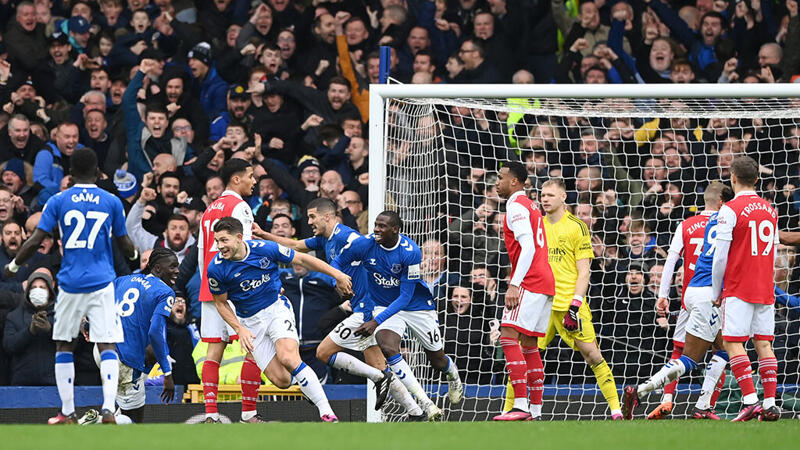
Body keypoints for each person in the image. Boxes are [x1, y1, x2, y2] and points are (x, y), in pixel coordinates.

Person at [257, 198, 423, 420]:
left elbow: (372, 253)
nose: (309, 221)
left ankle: (383, 382)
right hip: (361, 308)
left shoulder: (349, 237)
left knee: (324, 352)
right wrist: (263, 235)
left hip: (367, 310)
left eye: (312, 217)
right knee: (379, 366)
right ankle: (417, 412)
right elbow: (296, 246)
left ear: (328, 216)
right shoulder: (325, 239)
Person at [4, 148, 137, 424]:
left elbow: (36, 238)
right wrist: (135, 256)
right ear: (98, 170)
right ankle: (109, 408)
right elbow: (123, 243)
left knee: (65, 344)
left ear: (71, 173)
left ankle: (66, 411)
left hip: (71, 283)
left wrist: (14, 266)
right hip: (102, 282)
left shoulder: (58, 200)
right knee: (107, 344)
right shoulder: (112, 201)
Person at [207, 216, 353, 422]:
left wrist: (337, 274)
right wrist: (239, 329)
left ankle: (327, 413)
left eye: (224, 240)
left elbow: (302, 259)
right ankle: (307, 384)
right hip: (250, 324)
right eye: (217, 241)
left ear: (239, 238)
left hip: (276, 309)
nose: (220, 246)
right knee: (282, 380)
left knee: (288, 357)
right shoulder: (215, 269)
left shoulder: (264, 249)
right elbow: (221, 303)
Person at [505, 178, 622, 420]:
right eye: (542, 195)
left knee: (593, 355)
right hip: (540, 302)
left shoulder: (576, 227)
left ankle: (616, 409)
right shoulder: (536, 224)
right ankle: (512, 409)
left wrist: (576, 304)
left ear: (563, 197)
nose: (545, 199)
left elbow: (584, 271)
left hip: (569, 303)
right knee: (521, 355)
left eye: (550, 195)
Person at [331, 210, 464, 421]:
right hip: (384, 305)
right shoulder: (365, 244)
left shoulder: (410, 251)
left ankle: (452, 373)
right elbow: (338, 262)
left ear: (395, 229)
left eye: (382, 226)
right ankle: (426, 404)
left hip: (416, 306)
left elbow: (405, 297)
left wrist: (375, 321)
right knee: (387, 346)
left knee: (437, 361)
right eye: (375, 224)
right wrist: (337, 280)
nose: (376, 229)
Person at [622, 182, 734, 420]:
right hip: (713, 296)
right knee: (721, 350)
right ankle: (701, 404)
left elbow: (671, 261)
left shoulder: (686, 224)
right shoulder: (727, 224)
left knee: (681, 348)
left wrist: (663, 295)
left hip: (687, 294)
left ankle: (668, 400)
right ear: (723, 202)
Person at [712, 156, 780, 422]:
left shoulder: (729, 209)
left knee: (732, 341)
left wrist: (717, 290)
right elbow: (773, 250)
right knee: (763, 343)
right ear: (758, 179)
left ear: (733, 177)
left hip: (739, 285)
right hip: (764, 285)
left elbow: (720, 257)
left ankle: (751, 400)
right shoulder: (770, 208)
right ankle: (771, 404)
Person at [195, 158, 263, 424]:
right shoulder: (239, 207)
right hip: (237, 287)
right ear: (236, 179)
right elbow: (245, 250)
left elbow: (201, 252)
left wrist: (208, 285)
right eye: (250, 175)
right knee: (253, 346)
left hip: (211, 287)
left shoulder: (210, 209)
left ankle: (211, 415)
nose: (254, 181)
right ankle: (248, 413)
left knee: (214, 350)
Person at [85, 248, 179, 424]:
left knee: (124, 407)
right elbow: (155, 332)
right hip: (125, 361)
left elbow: (99, 301)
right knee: (133, 421)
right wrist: (167, 372)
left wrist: (88, 323)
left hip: (102, 350)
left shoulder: (124, 280)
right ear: (157, 269)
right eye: (172, 266)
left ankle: (102, 422)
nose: (177, 270)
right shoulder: (165, 293)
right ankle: (93, 422)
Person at [492, 162, 555, 421]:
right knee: (529, 345)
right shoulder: (531, 205)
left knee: (507, 335)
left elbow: (528, 246)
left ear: (515, 182)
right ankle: (536, 411)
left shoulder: (515, 205)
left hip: (530, 280)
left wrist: (515, 283)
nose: (496, 183)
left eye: (500, 178)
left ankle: (519, 405)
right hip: (545, 281)